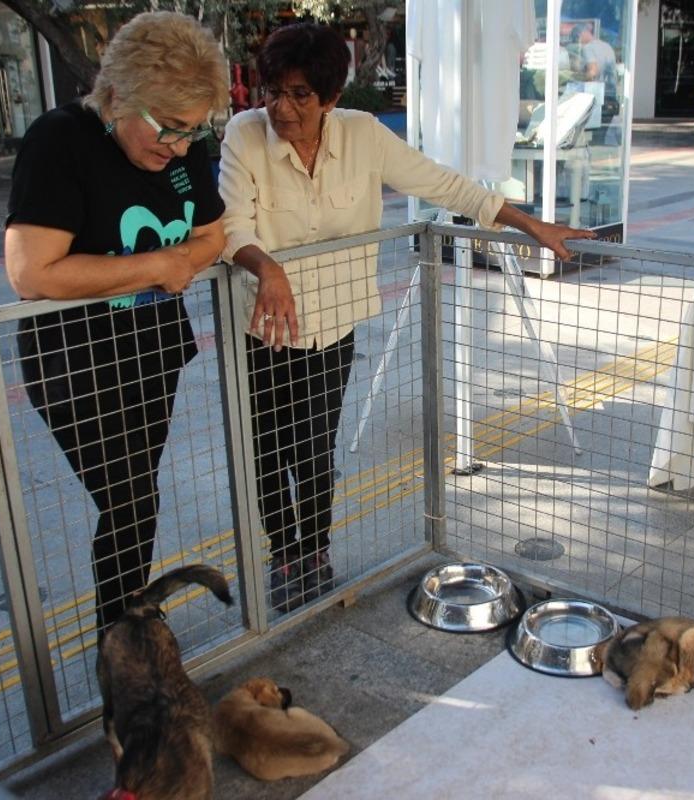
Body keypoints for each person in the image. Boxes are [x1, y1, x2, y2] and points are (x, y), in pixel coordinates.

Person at [217, 23, 595, 612]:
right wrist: (267, 267)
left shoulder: (363, 134)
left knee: (314, 446)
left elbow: (443, 183)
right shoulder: (244, 135)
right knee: (268, 449)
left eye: (298, 95)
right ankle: (280, 553)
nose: (280, 108)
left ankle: (313, 551)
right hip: (262, 327)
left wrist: (531, 226)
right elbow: (232, 222)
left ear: (330, 98)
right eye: (271, 91)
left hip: (331, 323)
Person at [3, 12, 228, 634]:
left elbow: (212, 235)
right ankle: (124, 637)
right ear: (118, 94)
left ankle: (125, 626)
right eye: (169, 129)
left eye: (192, 133)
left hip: (152, 348)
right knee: (128, 496)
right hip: (76, 361)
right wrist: (158, 264)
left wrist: (182, 259)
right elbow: (31, 272)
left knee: (137, 498)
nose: (180, 147)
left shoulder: (186, 146)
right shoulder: (61, 140)